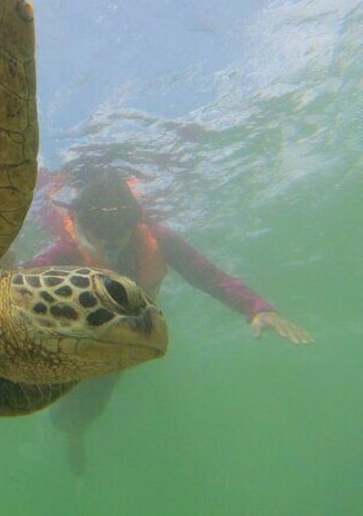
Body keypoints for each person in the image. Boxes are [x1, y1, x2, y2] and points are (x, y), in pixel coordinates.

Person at [20, 169, 313, 475]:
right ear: (80, 222)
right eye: (97, 228)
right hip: (79, 326)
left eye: (121, 227)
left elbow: (209, 277)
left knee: (96, 391)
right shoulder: (67, 250)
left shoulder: (157, 239)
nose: (111, 239)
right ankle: (68, 430)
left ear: (135, 222)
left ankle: (74, 433)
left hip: (121, 334)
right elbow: (20, 280)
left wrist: (257, 308)